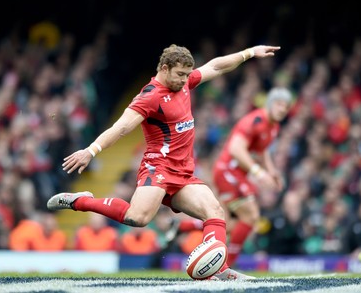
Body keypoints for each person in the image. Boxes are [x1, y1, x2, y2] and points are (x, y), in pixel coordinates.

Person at [47, 43, 280, 280]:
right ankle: (82, 201)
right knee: (137, 218)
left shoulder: (185, 83)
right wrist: (91, 150)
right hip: (158, 169)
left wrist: (249, 53)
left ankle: (221, 271)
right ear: (165, 68)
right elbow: (122, 127)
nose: (184, 80)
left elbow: (216, 67)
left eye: (187, 75)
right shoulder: (150, 96)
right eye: (180, 74)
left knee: (215, 211)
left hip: (183, 173)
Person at [212, 87, 292, 267]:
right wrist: (258, 172)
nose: (282, 110)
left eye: (286, 107)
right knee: (251, 215)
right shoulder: (254, 121)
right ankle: (227, 265)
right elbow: (235, 149)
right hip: (228, 171)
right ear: (270, 103)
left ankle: (184, 227)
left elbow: (262, 151)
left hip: (237, 174)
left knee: (232, 223)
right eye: (279, 105)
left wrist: (272, 171)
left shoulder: (274, 126)